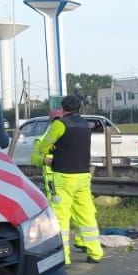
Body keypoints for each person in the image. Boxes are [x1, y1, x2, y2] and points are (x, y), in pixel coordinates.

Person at [31, 96, 103, 264]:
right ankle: (95, 252)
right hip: (83, 176)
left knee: (61, 217)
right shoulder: (86, 125)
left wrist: (51, 148)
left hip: (63, 177)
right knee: (86, 215)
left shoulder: (60, 125)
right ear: (80, 108)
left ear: (63, 109)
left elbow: (43, 147)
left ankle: (65, 257)